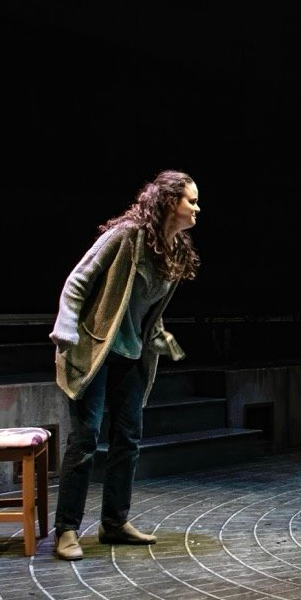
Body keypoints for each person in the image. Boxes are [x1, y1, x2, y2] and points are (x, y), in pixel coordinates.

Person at [49, 171, 201, 561]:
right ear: (170, 202)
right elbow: (78, 280)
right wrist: (65, 329)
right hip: (95, 350)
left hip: (132, 355)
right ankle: (66, 529)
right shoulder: (128, 235)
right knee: (84, 440)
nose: (197, 208)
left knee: (127, 440)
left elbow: (146, 305)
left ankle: (114, 522)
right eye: (191, 201)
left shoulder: (175, 249)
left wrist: (158, 334)